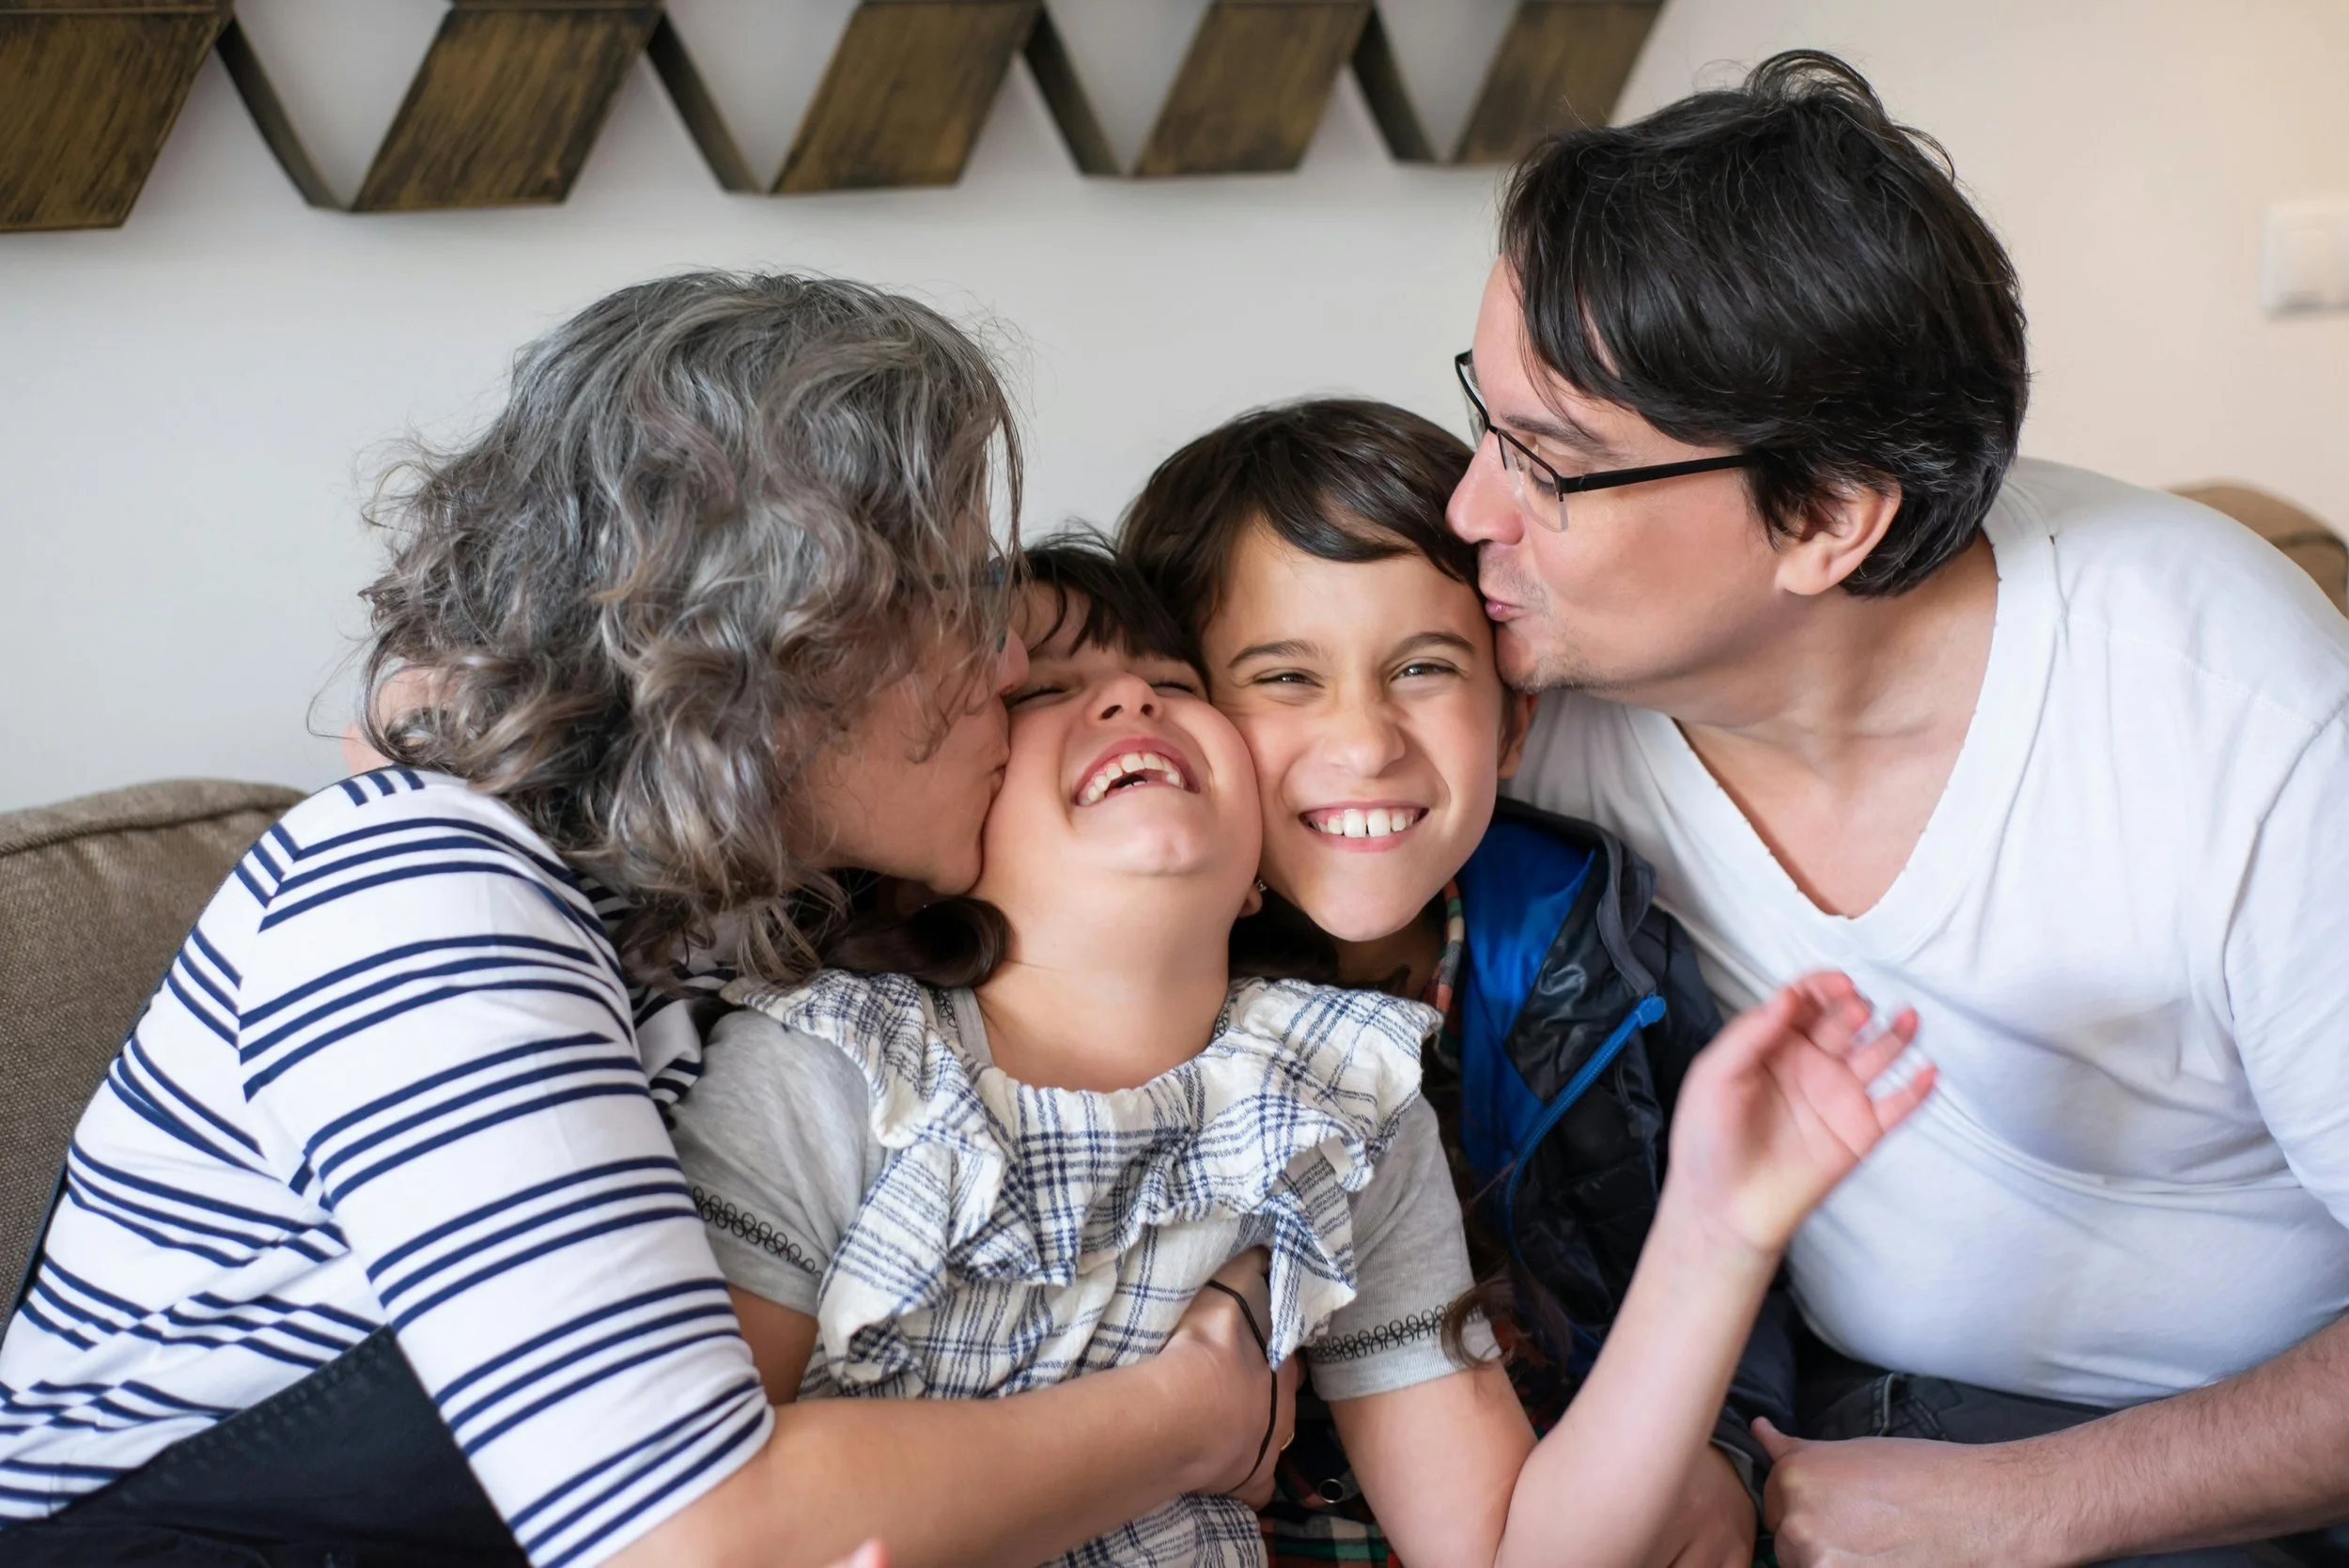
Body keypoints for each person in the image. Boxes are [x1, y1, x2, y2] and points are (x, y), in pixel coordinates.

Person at [0, 272, 1293, 1568]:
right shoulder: (426, 886)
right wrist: (1188, 1417)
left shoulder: (716, 920)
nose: (1008, 667)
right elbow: (694, 1538)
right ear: (789, 626)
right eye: (965, 600)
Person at [1454, 50, 2349, 1568]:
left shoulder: (2228, 705)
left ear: (1825, 518)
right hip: (1785, 1395)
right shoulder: (1525, 677)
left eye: (1554, 464)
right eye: (1485, 415)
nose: (1474, 508)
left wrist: (2029, 1504)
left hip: (2222, 1467)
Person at [668, 536, 1934, 1568]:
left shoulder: (1341, 1106)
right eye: (1041, 696)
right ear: (930, 835)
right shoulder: (825, 1068)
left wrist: (1719, 1228)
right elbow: (698, 1508)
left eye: (1173, 686)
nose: (1130, 701)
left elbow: (1507, 1550)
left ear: (1258, 871)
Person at [1120, 397, 1792, 1568]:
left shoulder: (1583, 944)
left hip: (1552, 1499)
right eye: (1283, 677)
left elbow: (1701, 1265)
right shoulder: (1121, 983)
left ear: (1513, 719)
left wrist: (1724, 1458)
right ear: (1180, 718)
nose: (1367, 740)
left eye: (1422, 668)